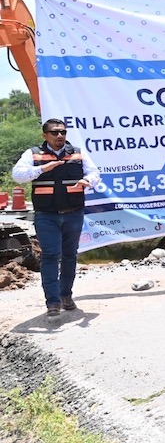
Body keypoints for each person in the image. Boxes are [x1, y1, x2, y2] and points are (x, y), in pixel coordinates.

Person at [12, 118, 100, 321]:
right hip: (46, 215)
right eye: (55, 132)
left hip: (74, 212)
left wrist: (88, 180)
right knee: (51, 255)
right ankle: (52, 302)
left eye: (63, 132)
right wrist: (42, 169)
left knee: (70, 255)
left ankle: (66, 295)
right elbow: (18, 175)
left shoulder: (77, 152)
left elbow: (95, 172)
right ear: (45, 135)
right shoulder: (33, 154)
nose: (60, 135)